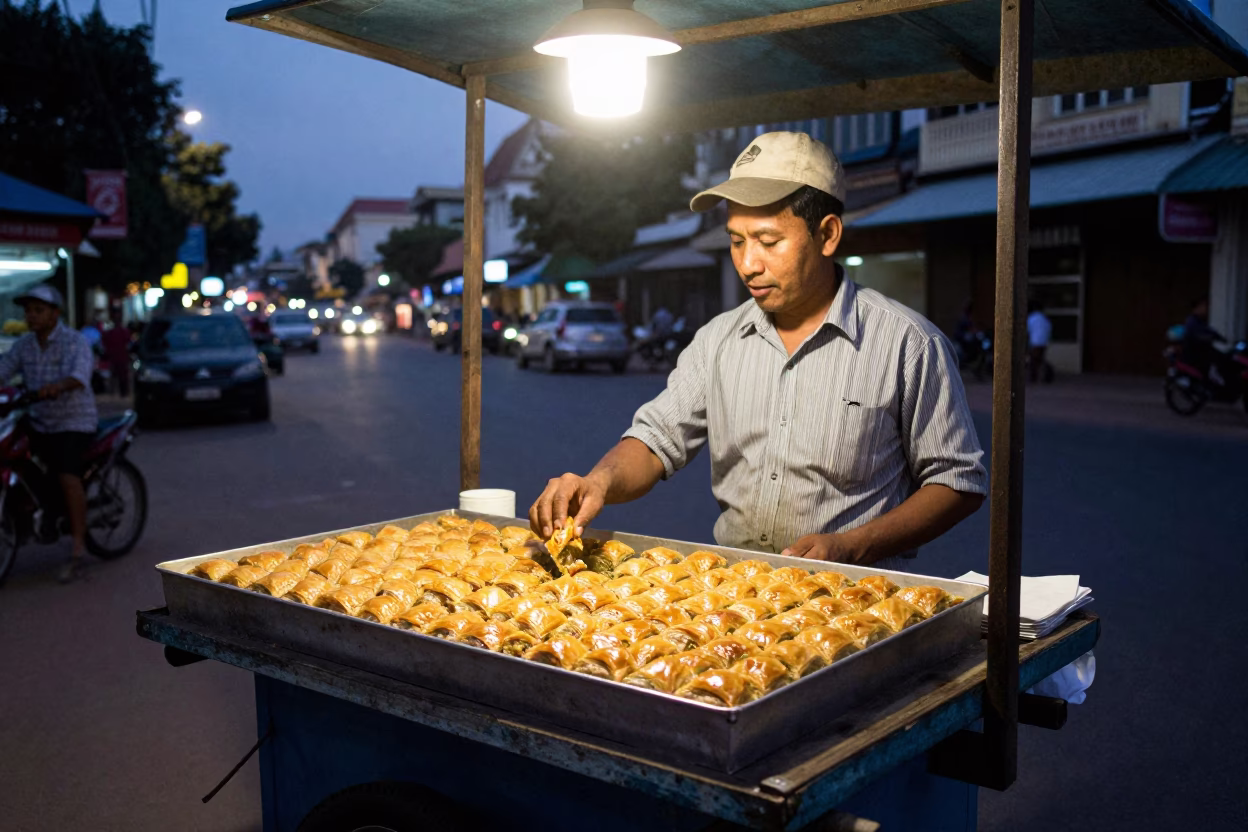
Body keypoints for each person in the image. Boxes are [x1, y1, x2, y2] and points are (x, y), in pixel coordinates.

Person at [530, 132, 986, 569]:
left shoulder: (907, 343)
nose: (749, 264)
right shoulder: (717, 341)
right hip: (737, 595)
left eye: (769, 241)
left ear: (827, 235)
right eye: (736, 241)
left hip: (856, 596)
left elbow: (957, 483)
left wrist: (852, 545)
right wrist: (598, 481)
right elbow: (654, 442)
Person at [0, 284, 98, 582]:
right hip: (38, 420)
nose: (31, 316)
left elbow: (80, 376)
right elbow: (4, 370)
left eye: (38, 310)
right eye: (28, 311)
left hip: (73, 422)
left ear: (55, 314)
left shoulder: (74, 341)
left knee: (68, 477)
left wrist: (57, 386)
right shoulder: (24, 345)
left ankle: (77, 550)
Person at [1026, 301, 1053, 384]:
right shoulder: (1044, 318)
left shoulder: (1032, 318)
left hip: (1035, 341)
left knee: (1034, 360)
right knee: (1040, 359)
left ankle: (1034, 377)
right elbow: (1049, 329)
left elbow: (1028, 330)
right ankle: (1041, 377)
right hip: (1043, 342)